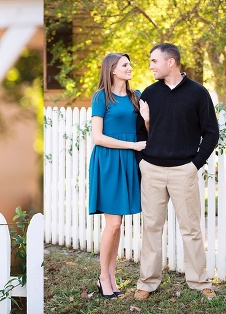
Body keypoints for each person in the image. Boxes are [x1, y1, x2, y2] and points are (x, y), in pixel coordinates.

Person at [134, 43, 219, 300]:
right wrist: (142, 161)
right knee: (151, 228)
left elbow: (211, 133)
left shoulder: (198, 93)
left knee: (191, 229)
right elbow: (140, 131)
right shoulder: (149, 93)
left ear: (170, 62)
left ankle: (199, 281)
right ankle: (147, 282)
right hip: (153, 170)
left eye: (154, 61)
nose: (150, 66)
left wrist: (194, 164)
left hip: (184, 170)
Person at [88, 53, 146, 299]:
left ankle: (111, 275)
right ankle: (103, 277)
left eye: (130, 64)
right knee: (112, 224)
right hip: (109, 161)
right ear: (112, 69)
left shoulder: (137, 97)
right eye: (124, 65)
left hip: (129, 162)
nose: (129, 67)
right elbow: (97, 137)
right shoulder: (101, 97)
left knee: (118, 224)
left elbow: (146, 130)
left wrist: (147, 118)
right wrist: (132, 146)